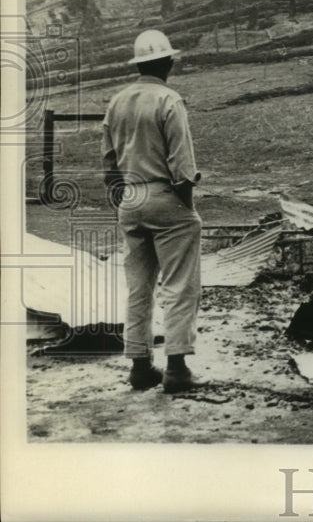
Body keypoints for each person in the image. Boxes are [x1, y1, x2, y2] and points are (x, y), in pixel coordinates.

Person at [102, 30, 204, 393]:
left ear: (138, 64)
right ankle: (176, 369)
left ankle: (140, 366)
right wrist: (186, 210)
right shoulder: (169, 100)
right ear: (167, 63)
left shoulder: (116, 102)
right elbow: (182, 165)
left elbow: (109, 165)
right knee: (179, 284)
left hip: (130, 199)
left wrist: (125, 200)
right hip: (165, 196)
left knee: (138, 287)